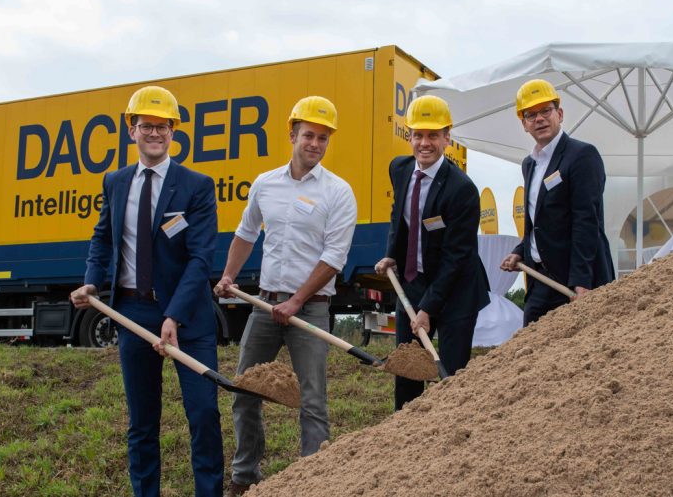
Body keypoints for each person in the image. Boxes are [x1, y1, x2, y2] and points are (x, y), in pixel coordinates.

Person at [70, 86, 223, 496]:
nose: (155, 133)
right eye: (146, 126)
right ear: (131, 130)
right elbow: (103, 238)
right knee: (141, 421)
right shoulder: (115, 182)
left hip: (188, 318)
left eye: (163, 126)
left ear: (173, 131)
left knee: (203, 413)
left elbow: (201, 258)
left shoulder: (196, 186)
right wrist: (92, 279)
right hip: (133, 313)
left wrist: (174, 315)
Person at [213, 96, 357, 496]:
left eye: (323, 138)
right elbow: (246, 233)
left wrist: (296, 302)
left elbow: (334, 257)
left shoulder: (338, 192)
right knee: (245, 389)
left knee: (312, 400)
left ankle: (313, 480)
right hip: (265, 305)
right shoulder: (265, 184)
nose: (315, 143)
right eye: (309, 135)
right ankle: (245, 475)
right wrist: (229, 275)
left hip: (310, 310)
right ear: (292, 135)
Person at [374, 95, 490, 411]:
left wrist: (428, 308)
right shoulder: (399, 169)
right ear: (409, 136)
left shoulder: (461, 189)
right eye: (419, 135)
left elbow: (457, 257)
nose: (425, 143)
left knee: (451, 376)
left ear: (447, 138)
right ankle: (406, 430)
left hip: (456, 291)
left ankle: (452, 427)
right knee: (407, 370)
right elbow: (399, 216)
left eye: (433, 136)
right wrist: (392, 254)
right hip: (413, 282)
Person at [500, 79, 615, 326]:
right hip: (540, 280)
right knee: (530, 344)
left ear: (559, 114)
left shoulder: (582, 155)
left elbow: (587, 221)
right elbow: (539, 221)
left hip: (576, 282)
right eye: (531, 115)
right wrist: (520, 251)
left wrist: (582, 282)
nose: (539, 119)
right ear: (524, 124)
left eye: (546, 111)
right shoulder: (529, 164)